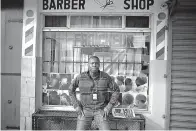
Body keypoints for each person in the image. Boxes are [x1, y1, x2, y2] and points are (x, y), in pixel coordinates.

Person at [69, 56, 120, 130]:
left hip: (100, 111)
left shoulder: (105, 77)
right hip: (85, 110)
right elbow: (71, 90)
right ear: (88, 64)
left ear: (99, 65)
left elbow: (116, 90)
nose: (94, 65)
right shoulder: (80, 77)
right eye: (92, 63)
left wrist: (109, 106)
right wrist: (76, 105)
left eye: (96, 63)